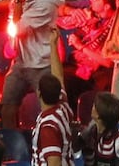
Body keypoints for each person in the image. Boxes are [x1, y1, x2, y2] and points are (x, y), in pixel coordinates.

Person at [0, 0, 64, 129]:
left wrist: (18, 2)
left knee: (50, 108)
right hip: (21, 61)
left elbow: (17, 27)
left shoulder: (47, 4)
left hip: (41, 64)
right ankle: (10, 148)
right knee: (7, 106)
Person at [31, 27, 74, 166]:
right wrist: (53, 44)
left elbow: (54, 163)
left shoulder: (48, 126)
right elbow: (58, 76)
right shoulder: (63, 107)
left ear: (39, 93)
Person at [78, 92, 119, 165]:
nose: (92, 107)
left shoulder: (118, 143)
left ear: (98, 115)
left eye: (94, 106)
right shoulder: (89, 132)